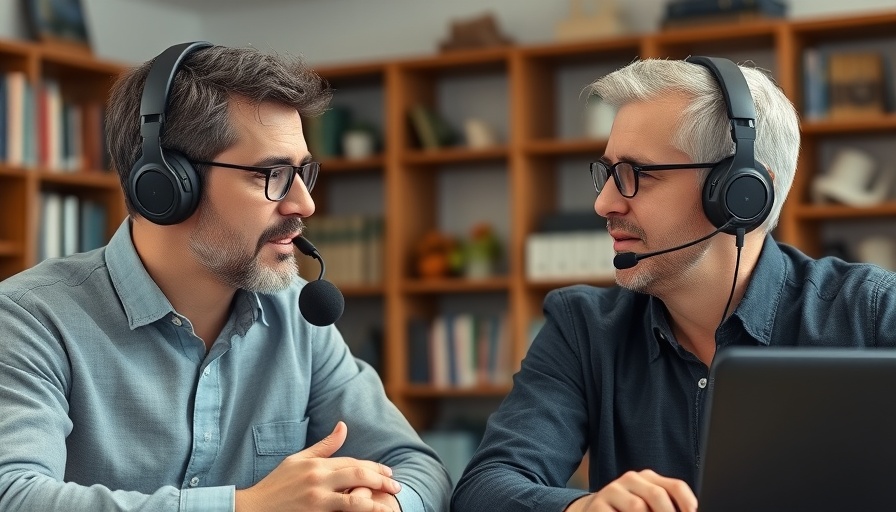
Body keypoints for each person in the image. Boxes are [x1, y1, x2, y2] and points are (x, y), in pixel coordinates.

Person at [0, 42, 450, 512]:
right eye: (272, 173)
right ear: (167, 185)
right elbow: (13, 495)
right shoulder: (28, 319)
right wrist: (246, 506)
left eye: (303, 172)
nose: (305, 204)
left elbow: (416, 467)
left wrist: (387, 506)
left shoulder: (297, 318)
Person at [451, 57, 896, 512]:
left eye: (637, 175)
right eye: (607, 173)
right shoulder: (582, 327)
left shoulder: (874, 314)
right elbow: (485, 487)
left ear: (743, 195)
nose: (604, 203)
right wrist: (579, 509)